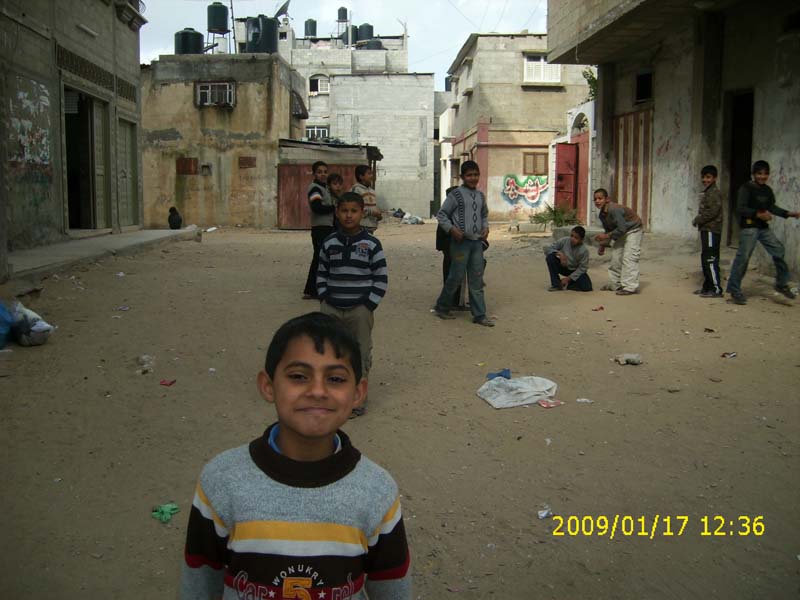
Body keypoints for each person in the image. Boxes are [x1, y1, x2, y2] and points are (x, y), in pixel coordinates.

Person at [179, 312, 411, 599]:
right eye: (298, 376)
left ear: (358, 393)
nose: (317, 391)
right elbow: (199, 587)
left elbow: (392, 590)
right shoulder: (221, 480)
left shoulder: (377, 491)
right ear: (268, 386)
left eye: (336, 378)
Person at [317, 192, 388, 417]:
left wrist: (368, 305)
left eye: (354, 211)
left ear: (362, 213)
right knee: (331, 354)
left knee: (360, 353)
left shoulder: (371, 244)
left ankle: (357, 399)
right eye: (344, 211)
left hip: (360, 311)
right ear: (337, 213)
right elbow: (321, 273)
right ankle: (333, 397)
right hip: (331, 309)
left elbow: (381, 277)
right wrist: (324, 298)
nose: (349, 216)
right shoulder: (329, 242)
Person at [726, 160, 800, 305]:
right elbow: (741, 208)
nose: (762, 177)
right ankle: (735, 290)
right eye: (759, 174)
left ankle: (781, 284)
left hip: (763, 228)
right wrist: (758, 214)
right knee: (743, 258)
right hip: (749, 228)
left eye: (765, 174)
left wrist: (788, 214)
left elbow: (772, 207)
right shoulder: (746, 188)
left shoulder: (767, 190)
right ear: (754, 174)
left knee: (778, 250)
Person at [434, 161, 493, 327]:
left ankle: (479, 315)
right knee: (456, 276)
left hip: (476, 243)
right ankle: (442, 307)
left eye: (476, 174)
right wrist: (452, 230)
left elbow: (484, 215)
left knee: (477, 279)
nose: (473, 178)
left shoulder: (480, 196)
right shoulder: (456, 195)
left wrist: (486, 228)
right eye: (469, 175)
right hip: (460, 244)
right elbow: (441, 215)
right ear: (462, 177)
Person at [593, 188, 644, 295]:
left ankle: (630, 287)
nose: (597, 201)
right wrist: (603, 244)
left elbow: (621, 228)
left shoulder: (614, 209)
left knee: (629, 257)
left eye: (600, 198)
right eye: (595, 199)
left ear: (607, 199)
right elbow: (609, 230)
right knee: (615, 258)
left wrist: (606, 236)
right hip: (621, 232)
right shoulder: (602, 214)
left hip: (633, 229)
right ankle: (615, 284)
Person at [303, 161, 335, 300]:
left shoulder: (325, 188)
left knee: (323, 258)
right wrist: (334, 208)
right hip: (320, 228)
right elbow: (317, 207)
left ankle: (319, 287)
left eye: (325, 172)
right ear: (314, 173)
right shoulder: (315, 189)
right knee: (319, 259)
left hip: (327, 227)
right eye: (319, 172)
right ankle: (311, 290)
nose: (323, 174)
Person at [692, 165, 724, 297]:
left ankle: (716, 289)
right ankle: (707, 287)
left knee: (710, 259)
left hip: (711, 229)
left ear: (715, 178)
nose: (705, 180)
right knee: (706, 258)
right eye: (704, 177)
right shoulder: (708, 191)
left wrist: (698, 219)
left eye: (708, 177)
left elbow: (712, 212)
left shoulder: (714, 193)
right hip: (706, 229)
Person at [543, 226, 593, 291]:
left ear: (581, 240)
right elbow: (547, 249)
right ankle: (556, 284)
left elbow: (583, 268)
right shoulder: (564, 240)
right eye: (571, 236)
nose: (572, 239)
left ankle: (568, 284)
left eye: (576, 238)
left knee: (587, 287)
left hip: (574, 270)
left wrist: (568, 279)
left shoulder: (584, 251)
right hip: (563, 266)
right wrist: (560, 254)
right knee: (550, 258)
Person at [351, 165, 382, 233]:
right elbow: (355, 207)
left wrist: (378, 215)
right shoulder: (357, 189)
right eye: (369, 174)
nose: (371, 176)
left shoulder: (372, 191)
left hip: (371, 225)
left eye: (371, 173)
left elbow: (374, 207)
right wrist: (372, 212)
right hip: (361, 224)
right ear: (361, 176)